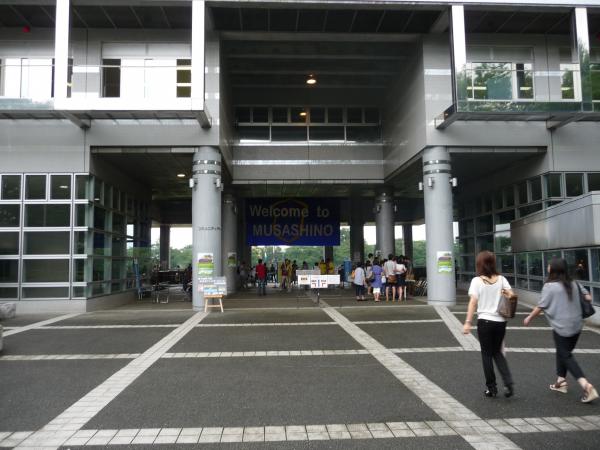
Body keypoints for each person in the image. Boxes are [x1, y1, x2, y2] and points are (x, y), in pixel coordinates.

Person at [523, 258, 598, 403]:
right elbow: (587, 297)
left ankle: (587, 386)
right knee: (563, 352)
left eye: (549, 265)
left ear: (554, 269)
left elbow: (542, 305)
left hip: (561, 327)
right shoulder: (574, 283)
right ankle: (561, 382)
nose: (548, 266)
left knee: (566, 355)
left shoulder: (549, 286)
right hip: (576, 326)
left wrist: (529, 318)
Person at [463, 250, 515, 398]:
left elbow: (473, 302)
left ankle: (491, 388)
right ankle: (508, 382)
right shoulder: (502, 279)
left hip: (485, 321)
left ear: (480, 264)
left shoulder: (476, 281)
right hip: (500, 322)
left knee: (486, 354)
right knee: (497, 352)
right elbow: (511, 295)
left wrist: (468, 322)